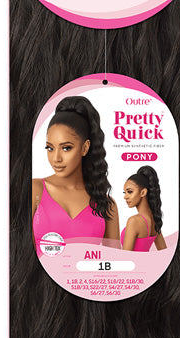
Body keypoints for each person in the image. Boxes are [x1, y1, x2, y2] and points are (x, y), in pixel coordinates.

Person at [32, 96, 119, 255]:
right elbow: (21, 256)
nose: (56, 158)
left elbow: (113, 263)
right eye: (50, 148)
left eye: (66, 148)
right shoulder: (34, 190)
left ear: (85, 148)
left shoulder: (107, 205)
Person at [121, 166, 167, 252]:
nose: (125, 197)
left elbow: (126, 256)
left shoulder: (134, 221)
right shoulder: (155, 220)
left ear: (143, 192)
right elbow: (164, 252)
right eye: (125, 192)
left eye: (130, 192)